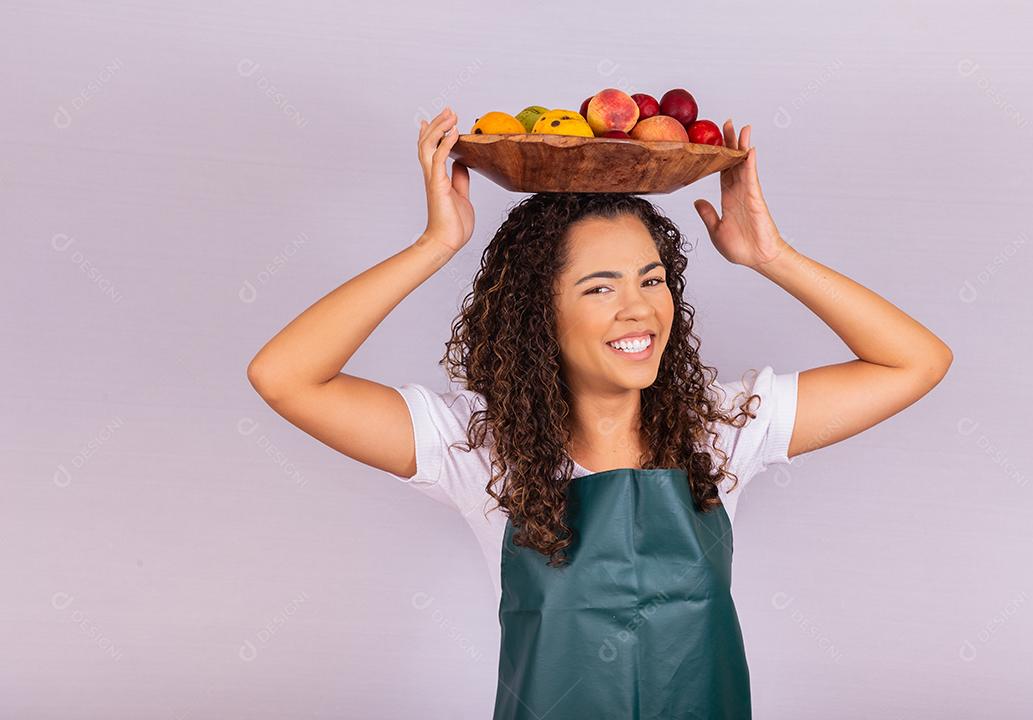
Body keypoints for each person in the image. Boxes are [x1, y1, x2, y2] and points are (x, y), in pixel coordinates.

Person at [247, 105, 953, 719]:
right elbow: (284, 378)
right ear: (538, 315)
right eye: (599, 288)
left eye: (652, 279)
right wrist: (434, 246)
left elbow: (916, 361)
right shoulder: (480, 446)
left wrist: (773, 256)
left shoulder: (723, 428)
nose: (638, 308)